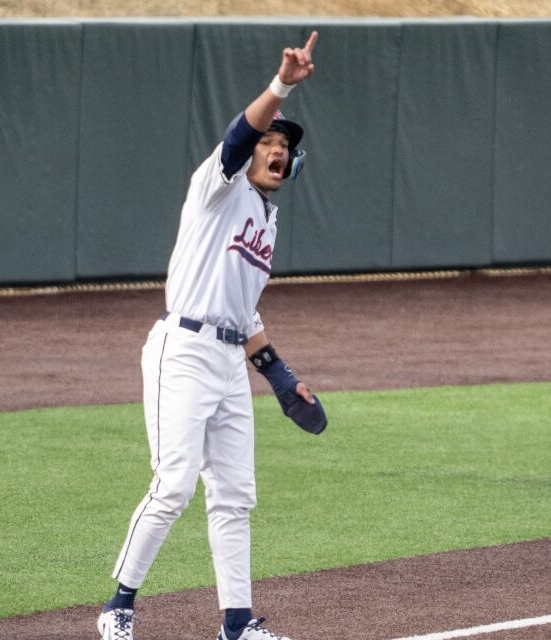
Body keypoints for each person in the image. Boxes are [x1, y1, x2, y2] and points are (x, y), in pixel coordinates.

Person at [97, 31, 325, 640]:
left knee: (234, 496)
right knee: (173, 484)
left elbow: (245, 313)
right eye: (270, 143)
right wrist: (281, 87)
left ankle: (237, 624)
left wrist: (281, 377)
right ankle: (118, 607)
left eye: (285, 148)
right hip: (184, 349)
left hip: (227, 363)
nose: (276, 151)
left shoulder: (266, 223)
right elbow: (236, 136)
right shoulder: (215, 188)